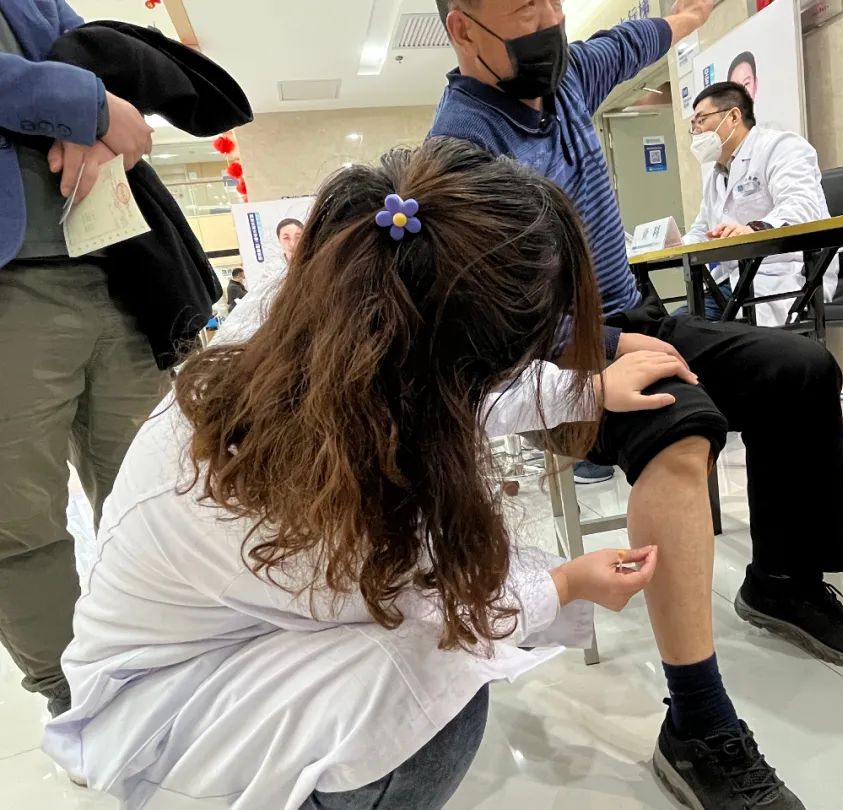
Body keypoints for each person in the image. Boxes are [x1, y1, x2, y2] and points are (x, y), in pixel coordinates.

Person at [42, 138, 700, 810]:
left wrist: (587, 388)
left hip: (219, 625)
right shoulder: (301, 490)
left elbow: (437, 393)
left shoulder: (316, 321)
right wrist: (565, 584)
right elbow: (429, 611)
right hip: (169, 709)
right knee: (431, 692)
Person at [431, 3, 843, 807]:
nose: (548, 20)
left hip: (635, 317)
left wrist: (693, 12)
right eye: (524, 8)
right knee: (681, 425)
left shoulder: (573, 74)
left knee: (800, 368)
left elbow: (651, 33)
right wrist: (608, 350)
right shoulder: (460, 153)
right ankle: (696, 723)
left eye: (552, 1)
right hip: (554, 358)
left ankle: (783, 580)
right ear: (463, 29)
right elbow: (492, 320)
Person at [0, 0, 163, 720]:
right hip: (9, 284)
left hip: (113, 263)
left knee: (152, 492)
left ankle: (164, 660)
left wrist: (97, 123)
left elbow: (96, 56)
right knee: (18, 519)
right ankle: (73, 701)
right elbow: (93, 91)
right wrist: (88, 106)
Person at [681, 81, 838, 327]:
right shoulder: (717, 175)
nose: (696, 131)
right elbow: (702, 230)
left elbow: (800, 207)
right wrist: (671, 245)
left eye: (701, 120)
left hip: (782, 278)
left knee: (687, 335)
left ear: (733, 116)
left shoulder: (781, 147)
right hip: (732, 283)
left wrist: (754, 228)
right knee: (672, 329)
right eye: (693, 125)